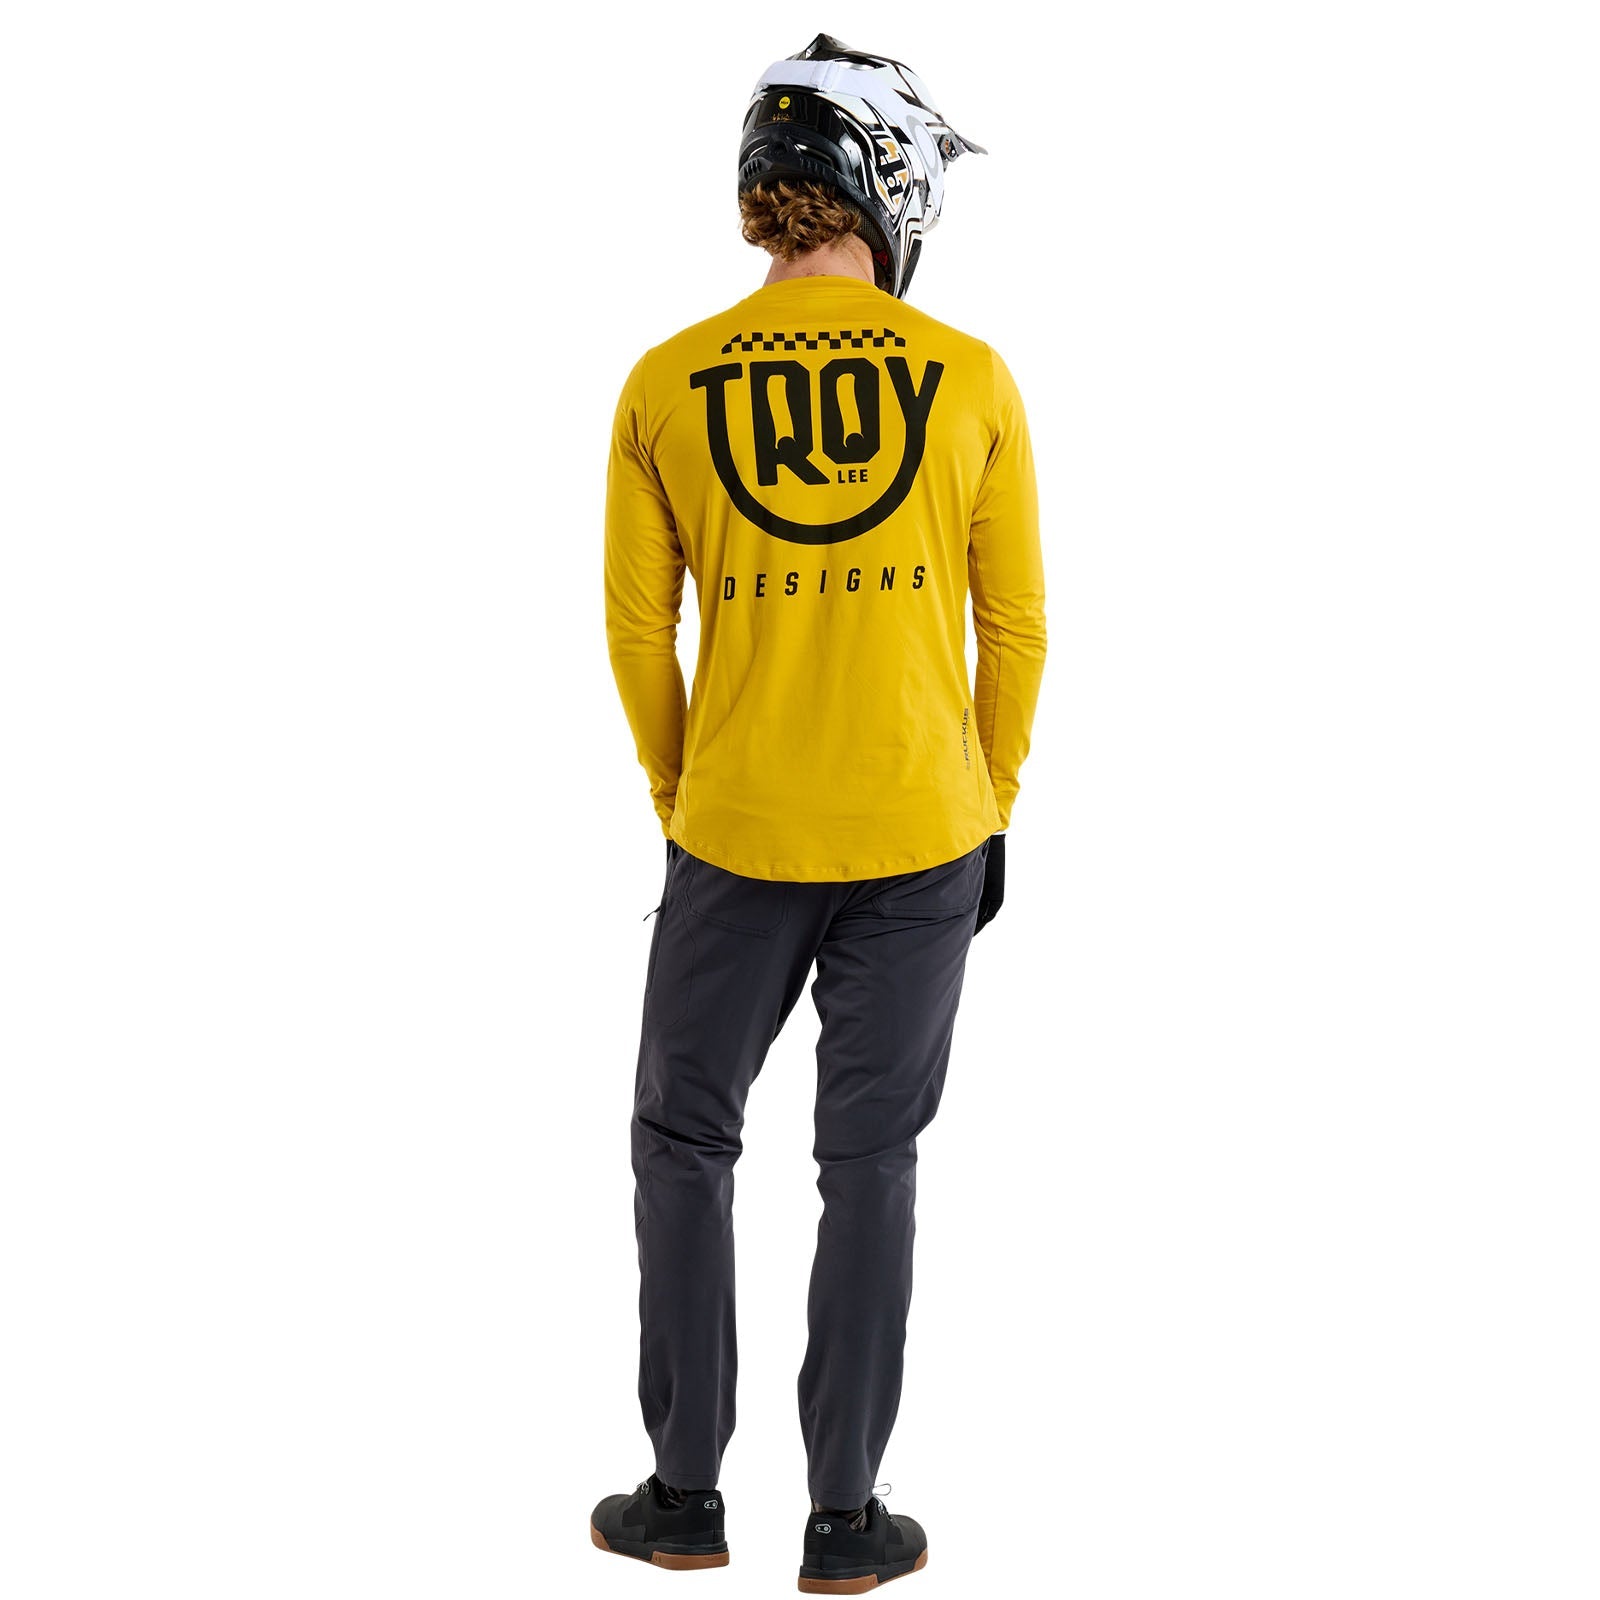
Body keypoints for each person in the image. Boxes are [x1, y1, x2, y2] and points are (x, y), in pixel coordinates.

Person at [591, 33, 1047, 1591]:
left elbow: (636, 633)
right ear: (890, 184)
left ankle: (682, 1496)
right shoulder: (971, 378)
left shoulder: (665, 382)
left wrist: (685, 795)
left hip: (736, 833)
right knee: (871, 1163)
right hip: (925, 837)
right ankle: (846, 1522)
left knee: (681, 1141)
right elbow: (1017, 629)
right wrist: (987, 806)